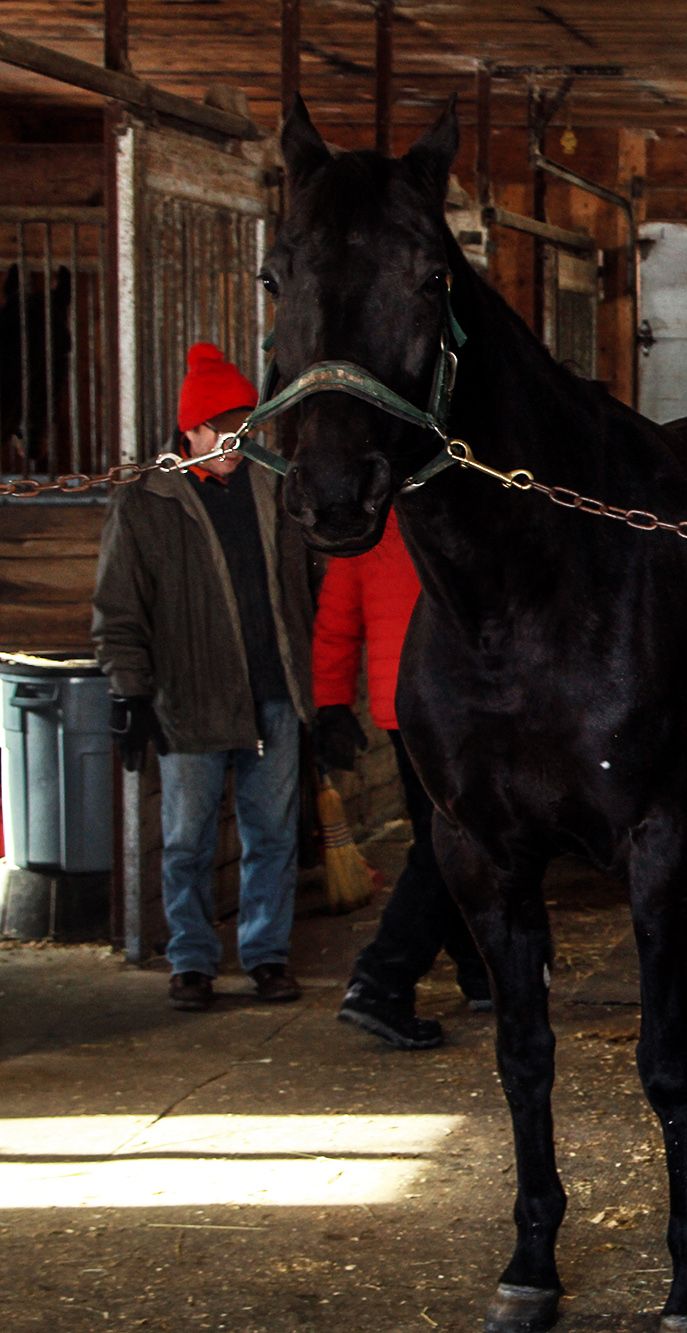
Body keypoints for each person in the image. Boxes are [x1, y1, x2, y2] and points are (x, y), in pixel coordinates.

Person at [92, 343, 315, 1011]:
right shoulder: (146, 501)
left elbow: (307, 587)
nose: (234, 442)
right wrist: (129, 691)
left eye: (245, 427)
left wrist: (318, 688)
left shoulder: (274, 487)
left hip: (274, 692)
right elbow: (119, 608)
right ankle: (191, 959)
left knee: (272, 835)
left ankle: (267, 955)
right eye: (221, 429)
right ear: (189, 429)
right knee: (186, 840)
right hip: (190, 698)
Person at [314, 509, 492, 1049]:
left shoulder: (367, 522)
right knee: (450, 844)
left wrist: (332, 701)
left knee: (449, 837)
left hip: (403, 707)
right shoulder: (453, 510)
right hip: (456, 706)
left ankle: (480, 970)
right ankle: (381, 980)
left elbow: (336, 618)